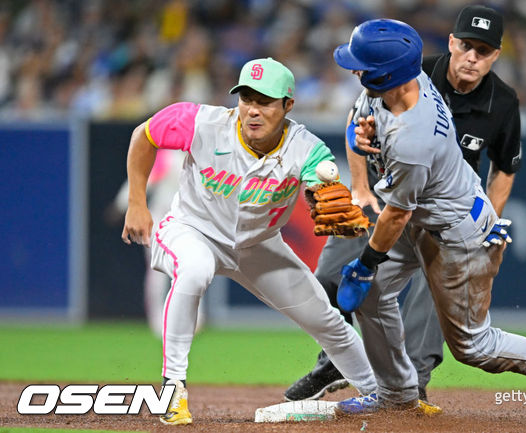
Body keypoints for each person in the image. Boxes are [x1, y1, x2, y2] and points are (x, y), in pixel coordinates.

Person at [332, 18, 526, 423]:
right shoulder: (405, 80)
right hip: (427, 215)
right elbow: (359, 120)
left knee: (473, 346)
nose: (356, 71)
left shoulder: (414, 135)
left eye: (364, 66)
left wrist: (366, 263)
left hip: (456, 233)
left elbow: (396, 213)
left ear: (389, 74)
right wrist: (363, 148)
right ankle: (396, 394)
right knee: (373, 295)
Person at [284, 4, 522, 403]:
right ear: (452, 42)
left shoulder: (503, 102)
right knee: (329, 277)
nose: (471, 57)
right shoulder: (410, 70)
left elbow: (505, 167)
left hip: (441, 215)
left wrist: (488, 224)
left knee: (427, 308)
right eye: (466, 45)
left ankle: (414, 391)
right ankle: (337, 361)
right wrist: (358, 186)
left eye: (483, 50)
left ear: (496, 54)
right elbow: (355, 118)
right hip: (384, 199)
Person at [121, 57, 378, 425]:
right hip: (192, 229)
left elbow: (321, 182)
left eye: (265, 101)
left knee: (326, 319)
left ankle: (378, 394)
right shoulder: (202, 122)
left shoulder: (306, 148)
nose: (253, 110)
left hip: (258, 245)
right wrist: (136, 202)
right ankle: (172, 389)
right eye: (246, 99)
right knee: (194, 271)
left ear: (288, 105)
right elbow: (144, 136)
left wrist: (324, 193)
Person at [107, 149, 207, 336]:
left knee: (189, 270)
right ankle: (160, 320)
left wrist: (120, 206)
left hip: (186, 221)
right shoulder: (169, 156)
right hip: (163, 221)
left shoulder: (198, 156)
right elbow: (143, 180)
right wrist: (121, 205)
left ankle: (191, 319)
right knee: (165, 271)